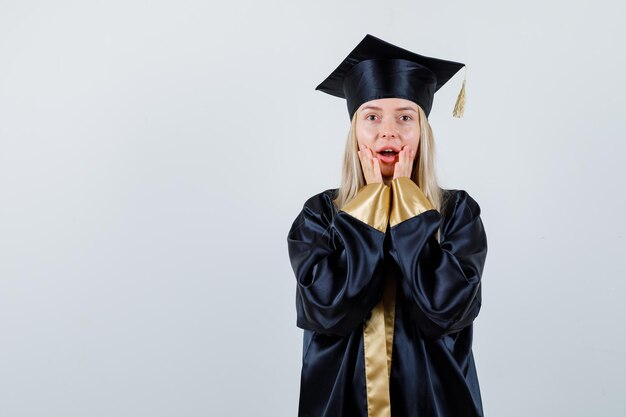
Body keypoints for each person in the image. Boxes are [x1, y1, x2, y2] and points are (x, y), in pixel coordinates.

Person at [286, 34, 488, 417]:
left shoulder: (457, 213)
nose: (388, 132)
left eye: (405, 117)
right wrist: (369, 208)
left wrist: (410, 205)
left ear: (423, 130)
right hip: (341, 404)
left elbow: (444, 312)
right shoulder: (319, 216)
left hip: (437, 403)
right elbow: (329, 311)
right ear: (355, 132)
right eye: (372, 116)